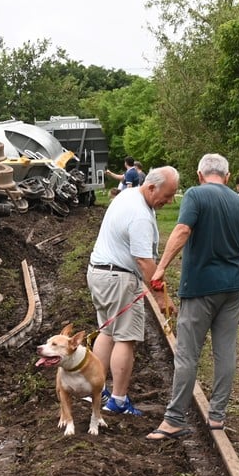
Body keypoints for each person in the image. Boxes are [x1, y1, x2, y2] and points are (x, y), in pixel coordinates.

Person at [147, 154, 239, 440]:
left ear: (199, 175)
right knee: (225, 352)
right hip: (232, 289)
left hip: (199, 287)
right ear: (227, 175)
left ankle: (173, 419)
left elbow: (183, 230)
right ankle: (217, 416)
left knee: (187, 353)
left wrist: (160, 268)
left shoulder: (196, 195)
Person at [87, 166, 180, 416]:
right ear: (151, 187)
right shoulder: (140, 216)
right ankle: (118, 400)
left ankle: (97, 389)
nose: (170, 201)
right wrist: (161, 297)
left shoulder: (127, 196)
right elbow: (144, 261)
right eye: (167, 195)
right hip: (119, 279)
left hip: (100, 272)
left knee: (107, 331)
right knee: (125, 338)